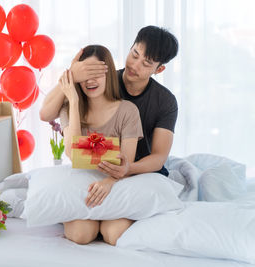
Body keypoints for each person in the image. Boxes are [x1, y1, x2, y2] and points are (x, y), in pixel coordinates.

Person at [40, 25, 179, 180]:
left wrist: (124, 169)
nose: (134, 65)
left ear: (158, 70)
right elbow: (46, 114)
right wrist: (71, 74)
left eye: (146, 63)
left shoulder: (165, 101)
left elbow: (159, 157)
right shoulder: (99, 82)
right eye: (134, 54)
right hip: (101, 170)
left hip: (141, 173)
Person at [58, 45, 143, 245]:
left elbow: (126, 163)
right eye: (85, 74)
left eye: (96, 73)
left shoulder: (128, 110)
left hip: (115, 186)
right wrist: (73, 100)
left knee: (114, 234)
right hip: (82, 188)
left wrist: (108, 182)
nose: (90, 80)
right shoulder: (68, 108)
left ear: (109, 74)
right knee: (82, 234)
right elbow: (72, 152)